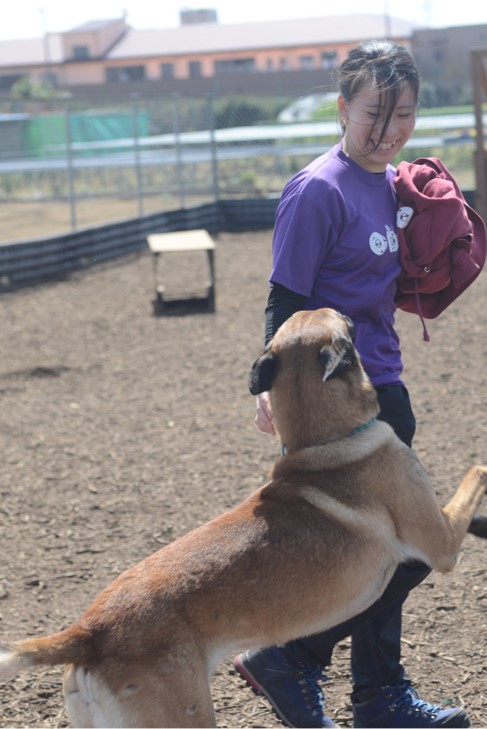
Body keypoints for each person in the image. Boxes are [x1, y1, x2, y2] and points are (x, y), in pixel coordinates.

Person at [234, 41, 471, 729]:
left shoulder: (393, 183)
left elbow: (384, 284)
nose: (389, 129)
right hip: (332, 405)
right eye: (375, 112)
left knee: (391, 546)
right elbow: (284, 301)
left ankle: (378, 696)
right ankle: (294, 656)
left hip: (383, 387)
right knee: (415, 543)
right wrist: (270, 390)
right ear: (342, 106)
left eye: (403, 114)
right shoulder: (316, 189)